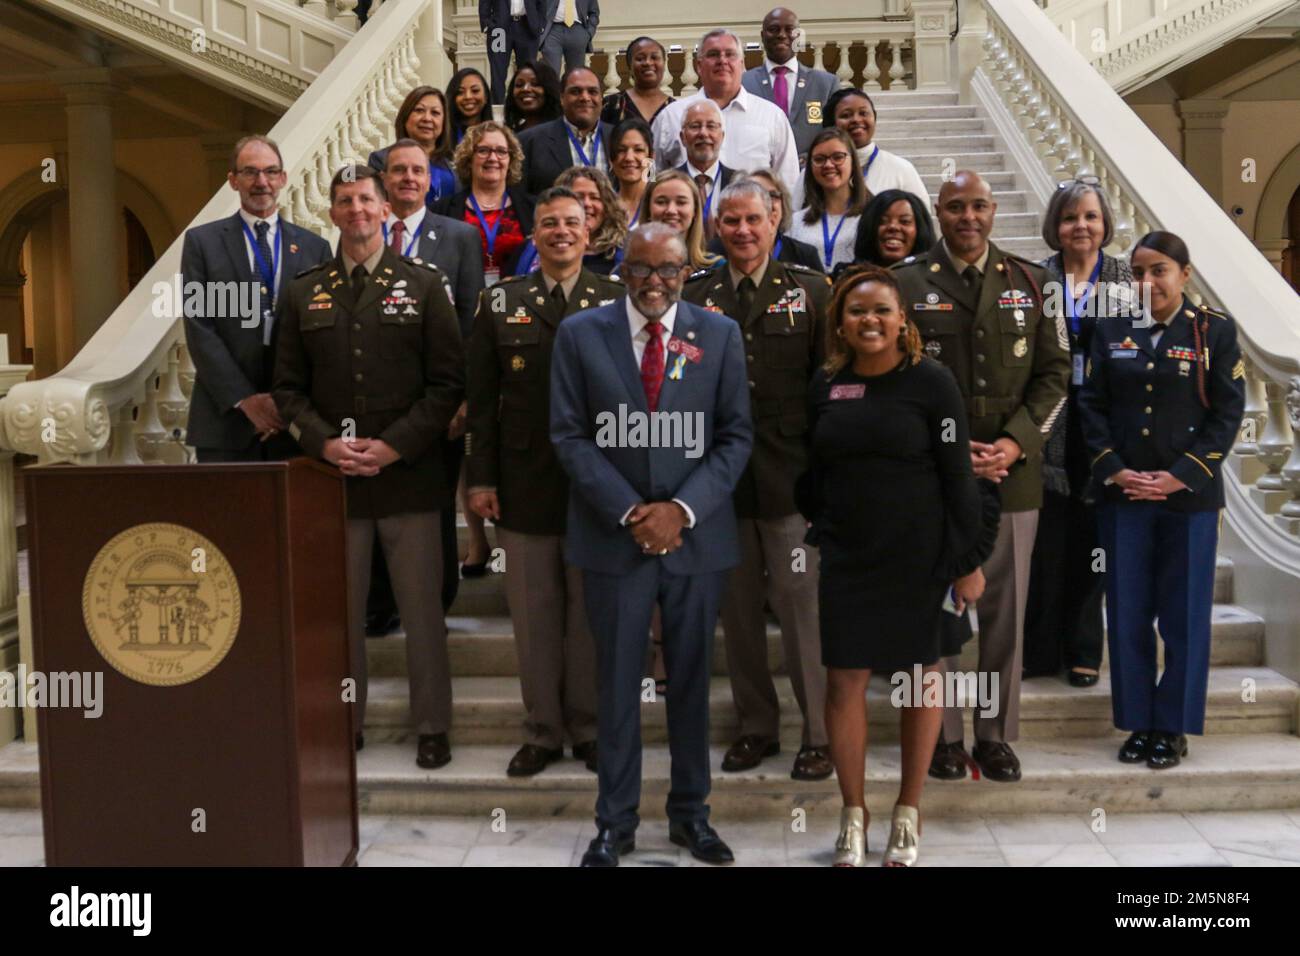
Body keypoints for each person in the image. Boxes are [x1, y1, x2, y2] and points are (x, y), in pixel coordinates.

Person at [551, 222, 753, 867]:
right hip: (615, 539)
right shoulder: (581, 333)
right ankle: (614, 824)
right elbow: (570, 435)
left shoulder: (718, 334)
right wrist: (634, 511)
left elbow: (734, 438)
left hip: (696, 540)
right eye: (642, 269)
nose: (656, 281)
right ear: (622, 271)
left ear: (686, 270)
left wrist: (682, 510)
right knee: (616, 686)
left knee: (692, 683)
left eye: (669, 269)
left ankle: (691, 817)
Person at [798, 265, 996, 866]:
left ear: (901, 319)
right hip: (851, 556)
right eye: (857, 312)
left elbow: (958, 476)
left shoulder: (932, 383)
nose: (870, 321)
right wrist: (822, 522)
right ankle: (853, 814)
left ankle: (908, 813)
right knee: (843, 681)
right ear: (841, 323)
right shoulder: (828, 384)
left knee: (919, 678)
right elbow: (815, 466)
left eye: (882, 310)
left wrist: (967, 561)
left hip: (922, 557)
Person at [272, 165, 465, 769]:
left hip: (408, 478)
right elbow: (287, 390)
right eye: (344, 200)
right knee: (339, 616)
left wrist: (394, 446)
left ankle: (432, 725)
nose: (356, 209)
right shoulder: (303, 290)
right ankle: (343, 722)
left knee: (422, 612)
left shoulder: (427, 285)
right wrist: (325, 445)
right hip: (333, 483)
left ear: (386, 209)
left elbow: (447, 385)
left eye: (366, 199)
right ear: (330, 213)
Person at [893, 169, 1070, 783]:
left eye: (978, 206)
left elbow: (1055, 375)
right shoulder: (905, 283)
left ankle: (993, 735)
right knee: (935, 612)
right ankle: (941, 737)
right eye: (954, 207)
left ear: (994, 210)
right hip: (932, 480)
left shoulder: (1034, 282)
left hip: (1011, 475)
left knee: (1002, 617)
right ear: (936, 213)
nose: (968, 217)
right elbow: (894, 379)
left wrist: (1016, 444)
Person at [466, 186, 623, 778]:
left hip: (597, 489)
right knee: (533, 617)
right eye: (549, 223)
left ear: (589, 232)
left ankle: (587, 728)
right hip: (522, 482)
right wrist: (479, 480)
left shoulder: (614, 300)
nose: (561, 231)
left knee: (589, 616)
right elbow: (480, 404)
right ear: (534, 234)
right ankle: (541, 730)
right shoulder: (502, 302)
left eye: (572, 223)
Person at [1078, 231, 1245, 770]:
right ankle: (1137, 721)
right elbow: (1091, 405)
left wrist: (1180, 477)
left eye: (1160, 271)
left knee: (1184, 616)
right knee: (1127, 613)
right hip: (1124, 496)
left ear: (1185, 274)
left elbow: (1226, 416)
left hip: (1188, 500)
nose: (1149, 282)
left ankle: (1172, 726)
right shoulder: (1111, 329)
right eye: (1140, 273)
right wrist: (1115, 470)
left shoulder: (1213, 332)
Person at [683, 179, 832, 781]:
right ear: (716, 227)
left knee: (802, 613)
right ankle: (756, 727)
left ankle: (818, 733)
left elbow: (827, 393)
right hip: (720, 487)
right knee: (738, 613)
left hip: (790, 483)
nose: (743, 231)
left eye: (754, 219)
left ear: (775, 221)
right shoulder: (696, 297)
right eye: (731, 221)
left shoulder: (812, 291)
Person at [365, 140, 488, 633]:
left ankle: (436, 602)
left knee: (435, 501)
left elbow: (470, 321)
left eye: (417, 170)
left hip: (438, 397)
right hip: (377, 398)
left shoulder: (458, 237)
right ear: (385, 180)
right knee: (379, 503)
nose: (408, 178)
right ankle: (381, 603)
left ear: (430, 179)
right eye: (398, 171)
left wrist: (461, 396)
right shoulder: (364, 233)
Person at [1023, 179, 1134, 687]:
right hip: (1048, 425)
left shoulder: (1124, 280)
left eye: (1090, 216)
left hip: (1104, 429)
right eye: (1070, 218)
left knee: (1094, 546)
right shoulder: (1035, 280)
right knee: (1047, 547)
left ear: (1105, 223)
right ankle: (1041, 649)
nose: (1081, 227)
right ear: (1055, 227)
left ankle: (1085, 650)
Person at [183, 135, 331, 463]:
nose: (261, 182)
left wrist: (283, 401)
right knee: (226, 514)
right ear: (233, 181)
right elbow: (199, 328)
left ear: (283, 178)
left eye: (270, 171)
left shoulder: (315, 248)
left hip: (293, 418)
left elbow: (321, 331)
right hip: (225, 420)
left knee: (294, 514)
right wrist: (246, 399)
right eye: (250, 172)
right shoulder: (202, 243)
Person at [652, 29, 799, 192]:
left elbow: (789, 183)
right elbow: (650, 174)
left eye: (730, 54)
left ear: (742, 64)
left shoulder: (772, 116)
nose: (722, 60)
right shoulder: (671, 116)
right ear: (699, 66)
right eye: (713, 54)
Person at [435, 121, 536, 287]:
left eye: (501, 151)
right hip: (462, 304)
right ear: (469, 159)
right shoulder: (441, 211)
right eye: (483, 151)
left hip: (518, 303)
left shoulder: (533, 209)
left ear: (511, 160)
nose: (493, 158)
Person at [792, 88, 928, 209]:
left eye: (863, 113)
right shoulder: (815, 171)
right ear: (831, 123)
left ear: (874, 117)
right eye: (846, 115)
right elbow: (793, 219)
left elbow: (921, 220)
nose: (856, 120)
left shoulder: (901, 169)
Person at [741, 7, 838, 160]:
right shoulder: (744, 83)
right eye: (773, 29)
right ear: (762, 36)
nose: (781, 35)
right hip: (761, 173)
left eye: (789, 30)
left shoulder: (826, 84)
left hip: (811, 175)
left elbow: (835, 135)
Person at [518, 66, 612, 195]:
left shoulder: (620, 138)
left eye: (592, 91)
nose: (585, 97)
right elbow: (520, 197)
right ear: (562, 98)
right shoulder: (528, 142)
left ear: (601, 98)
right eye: (575, 91)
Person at [708, 169, 822, 271]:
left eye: (772, 195)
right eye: (755, 193)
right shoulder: (713, 253)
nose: (767, 202)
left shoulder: (805, 255)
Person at [789, 129, 868, 273]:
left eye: (838, 157)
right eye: (819, 159)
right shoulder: (796, 222)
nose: (828, 165)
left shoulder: (870, 216)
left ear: (853, 161)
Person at [368, 87, 459, 210]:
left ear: (444, 122)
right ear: (405, 117)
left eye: (435, 113)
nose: (427, 118)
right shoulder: (380, 159)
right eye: (419, 110)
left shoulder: (455, 161)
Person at [639, 169, 721, 273]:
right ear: (648, 210)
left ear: (695, 211)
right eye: (661, 202)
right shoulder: (631, 269)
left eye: (681, 202)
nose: (671, 210)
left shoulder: (717, 269)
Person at [676, 99, 736, 239]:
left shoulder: (739, 182)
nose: (703, 133)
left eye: (711, 126)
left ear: (722, 136)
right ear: (683, 137)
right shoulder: (668, 183)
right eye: (695, 126)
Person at [555, 166, 626, 274]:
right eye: (578, 196)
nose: (587, 204)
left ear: (607, 206)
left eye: (594, 198)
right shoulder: (538, 248)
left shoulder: (627, 249)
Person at [848, 188, 936, 270]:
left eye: (904, 221)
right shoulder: (848, 280)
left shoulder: (935, 281)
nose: (893, 227)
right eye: (882, 221)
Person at [480, 0, 544, 107]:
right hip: (499, 30)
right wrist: (486, 23)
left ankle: (525, 109)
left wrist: (540, 24)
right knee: (497, 72)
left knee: (527, 72)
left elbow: (542, 3)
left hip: (527, 28)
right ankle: (497, 111)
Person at [601, 36, 673, 126]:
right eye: (640, 58)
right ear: (629, 66)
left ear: (664, 64)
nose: (648, 62)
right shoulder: (611, 104)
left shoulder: (675, 108)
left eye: (654, 57)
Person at [609, 118, 655, 227]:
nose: (629, 158)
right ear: (611, 158)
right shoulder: (604, 205)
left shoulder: (659, 202)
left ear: (651, 157)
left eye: (638, 150)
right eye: (621, 150)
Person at [538, 0, 600, 78]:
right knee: (551, 73)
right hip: (553, 31)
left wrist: (588, 33)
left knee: (576, 74)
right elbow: (537, 6)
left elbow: (594, 12)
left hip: (578, 31)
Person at [504, 59, 563, 132]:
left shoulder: (564, 133)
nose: (525, 89)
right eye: (519, 85)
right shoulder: (509, 136)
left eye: (535, 84)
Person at [447, 68, 492, 144]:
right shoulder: (442, 137)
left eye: (475, 91)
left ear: (486, 96)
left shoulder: (498, 136)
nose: (468, 97)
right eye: (460, 92)